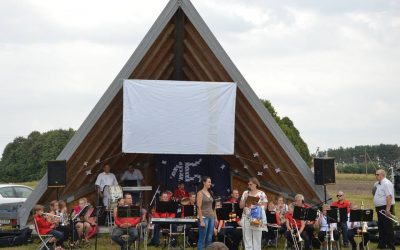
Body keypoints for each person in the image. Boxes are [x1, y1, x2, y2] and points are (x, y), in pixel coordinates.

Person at [239, 177, 268, 250]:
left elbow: (265, 207)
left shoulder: (262, 194)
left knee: (257, 239)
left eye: (251, 184)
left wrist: (257, 206)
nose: (249, 185)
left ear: (255, 184)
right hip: (246, 218)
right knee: (247, 239)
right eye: (248, 184)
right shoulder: (245, 193)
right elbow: (241, 206)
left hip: (256, 218)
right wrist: (245, 199)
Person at [373, 169, 395, 250]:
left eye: (377, 174)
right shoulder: (379, 184)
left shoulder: (386, 183)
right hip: (380, 207)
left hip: (385, 207)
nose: (376, 175)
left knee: (388, 227)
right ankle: (382, 244)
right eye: (375, 174)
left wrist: (388, 210)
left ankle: (391, 246)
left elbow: (389, 197)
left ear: (382, 175)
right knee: (381, 226)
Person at [197, 176, 217, 250]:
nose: (210, 183)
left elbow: (213, 207)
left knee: (209, 238)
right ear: (204, 182)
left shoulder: (211, 192)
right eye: (209, 182)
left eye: (210, 182)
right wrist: (201, 220)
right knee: (202, 238)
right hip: (204, 217)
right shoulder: (200, 193)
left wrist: (216, 218)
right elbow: (198, 207)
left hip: (211, 217)